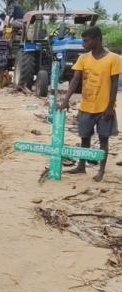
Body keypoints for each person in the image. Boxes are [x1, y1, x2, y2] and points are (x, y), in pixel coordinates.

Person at [59, 27, 121, 182]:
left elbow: (114, 85)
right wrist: (66, 99)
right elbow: (75, 80)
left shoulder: (114, 59)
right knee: (84, 137)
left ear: (97, 40)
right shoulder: (83, 59)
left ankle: (101, 170)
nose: (83, 44)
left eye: (86, 41)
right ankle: (81, 166)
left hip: (104, 108)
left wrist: (109, 107)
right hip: (86, 106)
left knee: (103, 139)